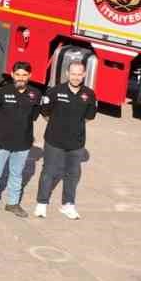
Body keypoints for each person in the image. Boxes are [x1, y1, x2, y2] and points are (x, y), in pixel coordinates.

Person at [35, 61, 97, 220]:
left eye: (79, 74)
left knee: (73, 174)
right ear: (67, 74)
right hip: (54, 140)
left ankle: (68, 204)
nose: (76, 77)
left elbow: (88, 117)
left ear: (84, 75)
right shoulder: (54, 92)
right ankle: (41, 203)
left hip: (76, 143)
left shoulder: (89, 95)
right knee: (49, 172)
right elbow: (45, 113)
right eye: (73, 73)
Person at [0, 61, 41, 218]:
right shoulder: (0, 93)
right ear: (12, 74)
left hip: (23, 142)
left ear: (30, 76)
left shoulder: (35, 94)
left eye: (24, 75)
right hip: (1, 141)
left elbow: (33, 117)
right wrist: (5, 126)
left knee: (17, 174)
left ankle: (13, 203)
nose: (21, 78)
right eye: (18, 74)